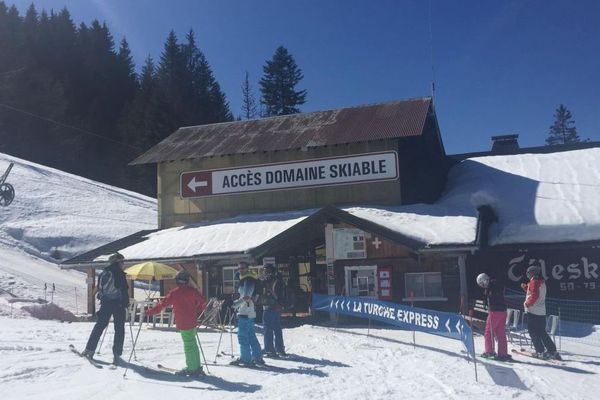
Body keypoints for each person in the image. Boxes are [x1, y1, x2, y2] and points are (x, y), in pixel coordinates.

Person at [145, 270, 208, 376]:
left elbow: (162, 304)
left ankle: (192, 369)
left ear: (177, 281)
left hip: (184, 323)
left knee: (189, 345)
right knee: (193, 344)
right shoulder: (192, 291)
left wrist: (149, 312)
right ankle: (196, 366)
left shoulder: (174, 293)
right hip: (192, 321)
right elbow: (204, 301)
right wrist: (197, 309)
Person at [82, 253, 129, 364]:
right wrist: (126, 303)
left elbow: (99, 288)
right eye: (122, 262)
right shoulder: (119, 273)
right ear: (117, 262)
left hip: (105, 304)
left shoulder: (104, 272)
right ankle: (117, 354)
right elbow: (123, 290)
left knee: (99, 326)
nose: (123, 264)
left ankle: (89, 349)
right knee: (119, 329)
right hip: (118, 305)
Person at [521, 265, 561, 360]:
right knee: (542, 332)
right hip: (541, 311)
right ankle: (552, 350)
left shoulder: (534, 282)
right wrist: (526, 288)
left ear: (531, 273)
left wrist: (528, 303)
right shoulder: (542, 282)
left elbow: (535, 294)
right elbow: (535, 291)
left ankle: (540, 351)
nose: (527, 274)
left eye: (528, 272)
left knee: (533, 332)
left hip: (533, 311)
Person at [230, 261, 264, 366]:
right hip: (250, 311)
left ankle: (245, 359)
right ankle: (257, 357)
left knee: (243, 336)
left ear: (247, 268)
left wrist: (233, 305)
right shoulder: (250, 278)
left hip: (245, 311)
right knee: (251, 335)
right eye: (239, 268)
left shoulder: (248, 280)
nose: (240, 270)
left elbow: (246, 297)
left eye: (242, 268)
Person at [476, 273, 511, 361]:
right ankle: (502, 353)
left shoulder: (491, 287)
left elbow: (492, 296)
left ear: (484, 280)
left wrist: (487, 292)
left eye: (482, 284)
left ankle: (489, 351)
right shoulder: (496, 284)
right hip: (503, 311)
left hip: (494, 312)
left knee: (488, 332)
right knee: (500, 333)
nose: (483, 286)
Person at [260, 263, 286, 357]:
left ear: (268, 270)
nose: (264, 271)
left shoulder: (269, 279)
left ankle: (269, 349)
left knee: (268, 328)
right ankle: (280, 349)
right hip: (277, 306)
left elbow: (261, 283)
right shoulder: (278, 278)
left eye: (264, 269)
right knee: (277, 328)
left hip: (269, 306)